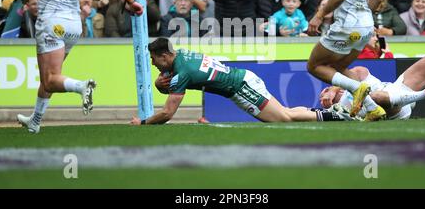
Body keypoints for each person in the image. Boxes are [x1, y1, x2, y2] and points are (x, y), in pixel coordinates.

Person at [16, 0, 144, 134]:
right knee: (51, 76)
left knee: (50, 78)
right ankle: (35, 120)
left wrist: (26, 0)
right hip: (75, 25)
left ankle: (81, 86)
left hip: (51, 23)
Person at [130, 37, 351, 125]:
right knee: (286, 112)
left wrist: (142, 122)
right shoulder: (182, 55)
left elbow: (168, 113)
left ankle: (338, 116)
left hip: (240, 88)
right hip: (243, 79)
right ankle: (335, 114)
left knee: (283, 118)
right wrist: (162, 83)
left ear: (165, 56)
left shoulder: (181, 73)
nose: (153, 64)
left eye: (154, 59)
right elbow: (177, 77)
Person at [319, 52, 425, 121]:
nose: (322, 98)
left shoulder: (351, 83)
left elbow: (360, 71)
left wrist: (335, 87)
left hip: (398, 89)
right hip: (392, 112)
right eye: (321, 100)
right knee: (374, 97)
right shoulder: (338, 110)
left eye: (324, 92)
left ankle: (423, 94)